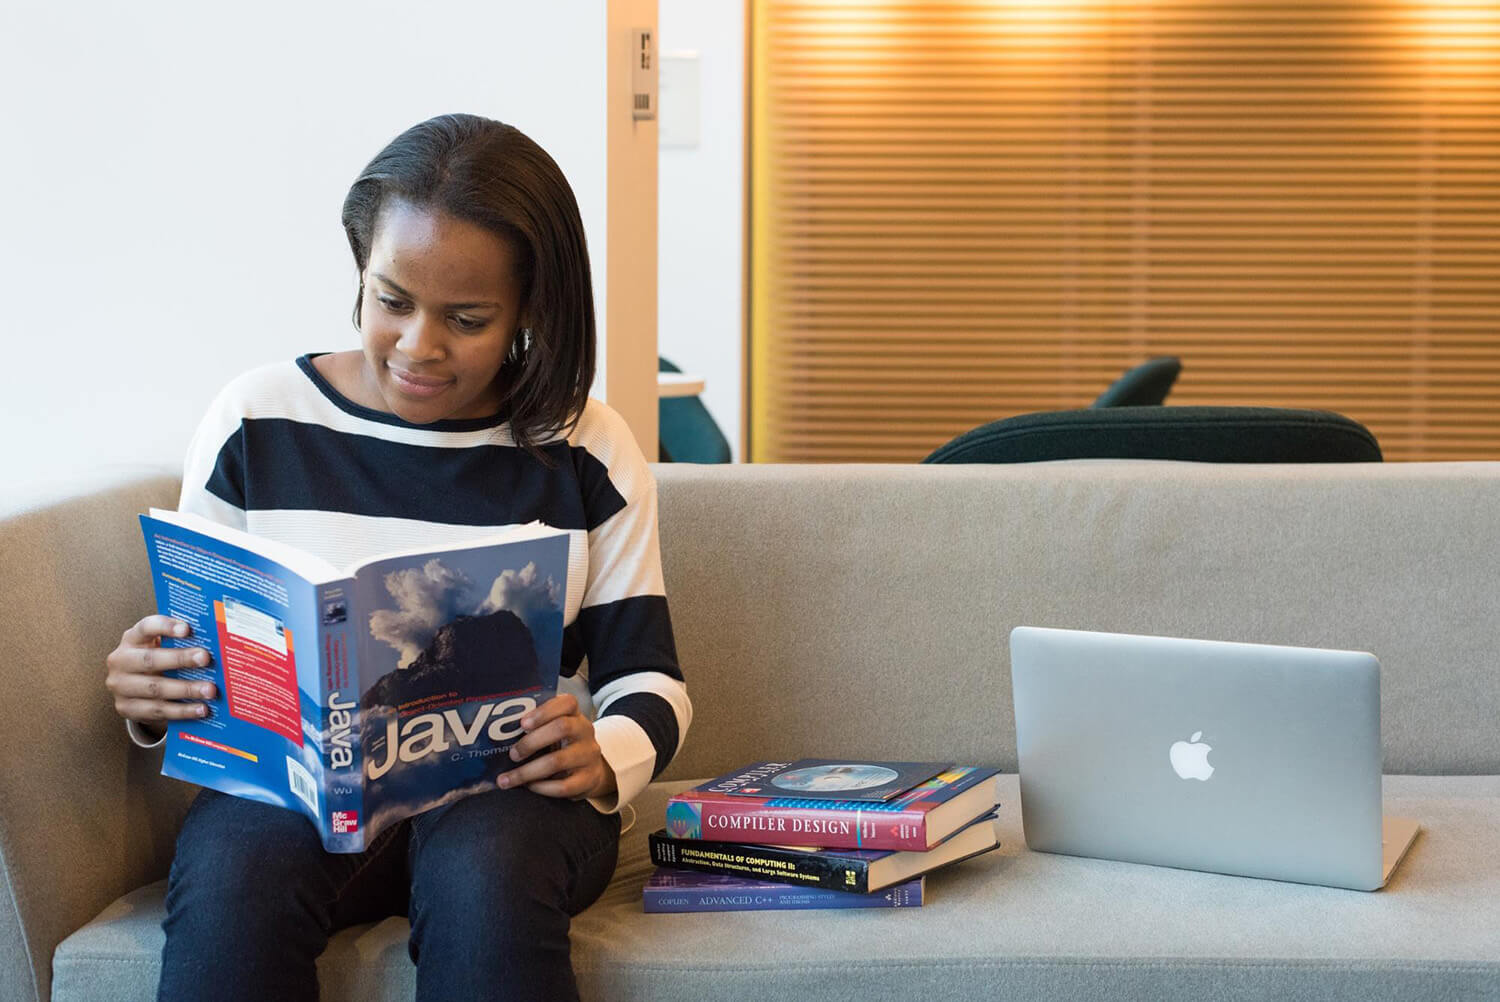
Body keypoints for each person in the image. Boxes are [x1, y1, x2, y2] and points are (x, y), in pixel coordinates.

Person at [102, 113, 691, 1002]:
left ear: (530, 308)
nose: (420, 345)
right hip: (303, 799)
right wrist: (156, 689)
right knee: (235, 875)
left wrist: (605, 751)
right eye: (392, 300)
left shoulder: (584, 448)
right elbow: (202, 658)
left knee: (484, 871)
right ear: (359, 270)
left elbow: (652, 680)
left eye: (467, 318)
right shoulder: (254, 423)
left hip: (510, 799)